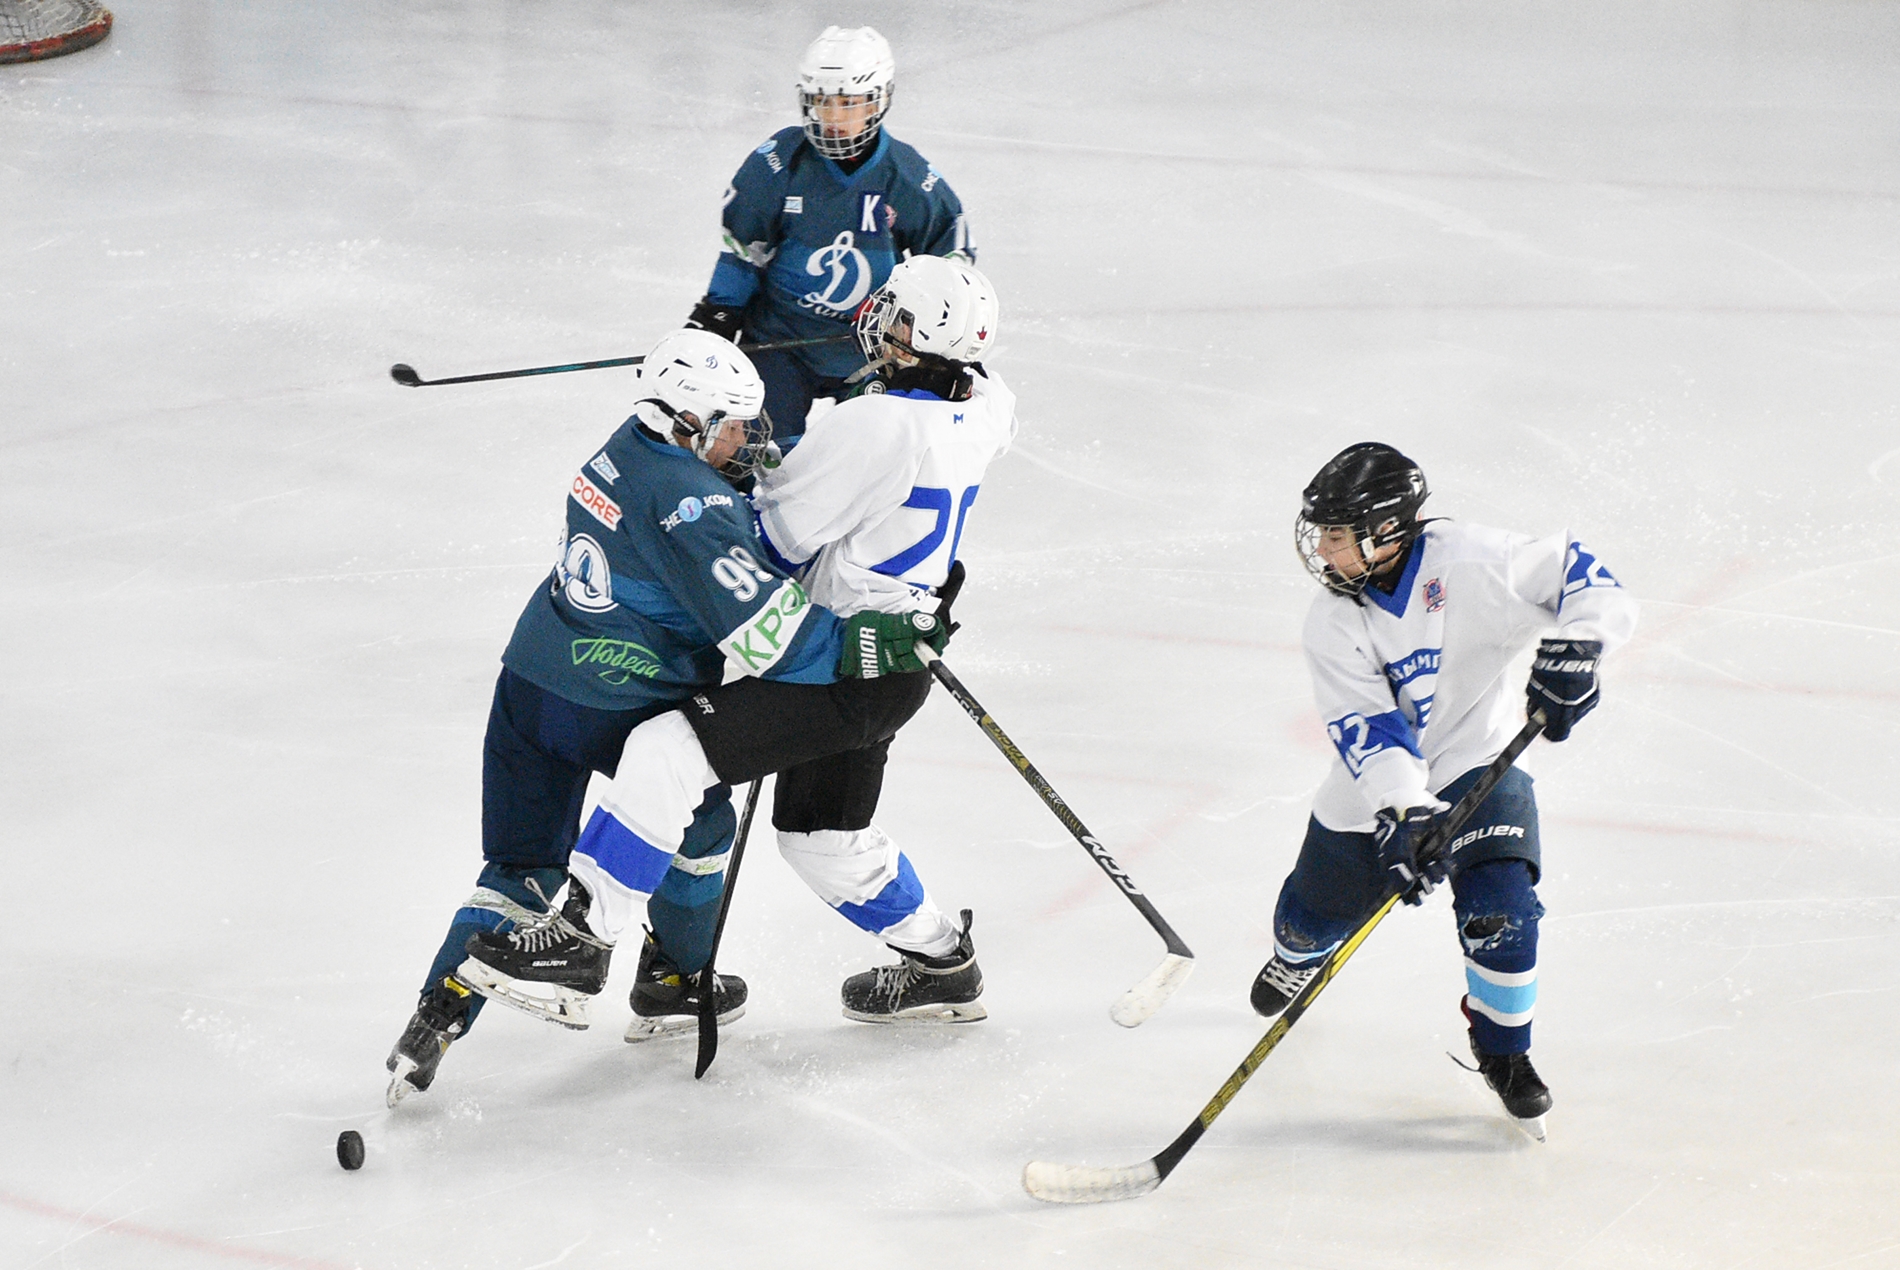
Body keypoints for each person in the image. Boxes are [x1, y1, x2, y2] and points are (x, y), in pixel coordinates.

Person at [463, 256, 1016, 1028]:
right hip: (905, 655)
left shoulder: (871, 425)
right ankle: (942, 962)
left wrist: (714, 465)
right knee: (822, 839)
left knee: (664, 750)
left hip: (840, 657)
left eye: (894, 317)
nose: (876, 321)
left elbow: (771, 542)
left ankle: (583, 942)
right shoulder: (988, 404)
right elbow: (902, 462)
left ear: (918, 338)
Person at [384, 328, 885, 1105]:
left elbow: (677, 516)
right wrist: (873, 645)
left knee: (520, 868)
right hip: (616, 698)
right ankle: (679, 983)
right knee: (702, 825)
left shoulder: (625, 446)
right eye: (729, 424)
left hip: (531, 683)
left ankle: (435, 1018)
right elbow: (769, 638)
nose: (748, 439)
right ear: (685, 422)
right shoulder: (694, 503)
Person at [1248, 442, 1637, 1137]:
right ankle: (1296, 956)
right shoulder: (1334, 621)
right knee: (1310, 920)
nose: (1324, 551)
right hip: (1371, 795)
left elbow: (1584, 575)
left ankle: (1503, 1051)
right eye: (1324, 535)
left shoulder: (1476, 560)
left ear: (1388, 530)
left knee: (1504, 915)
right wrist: (1404, 810)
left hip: (1479, 762)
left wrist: (1582, 645)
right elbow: (1369, 731)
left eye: (1338, 535)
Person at [681, 25, 975, 448]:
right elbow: (744, 252)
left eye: (848, 104)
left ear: (879, 100)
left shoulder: (907, 178)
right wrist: (719, 314)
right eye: (822, 103)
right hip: (779, 344)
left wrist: (937, 339)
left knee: (871, 463)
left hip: (874, 354)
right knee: (761, 460)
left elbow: (952, 256)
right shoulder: (778, 163)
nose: (833, 118)